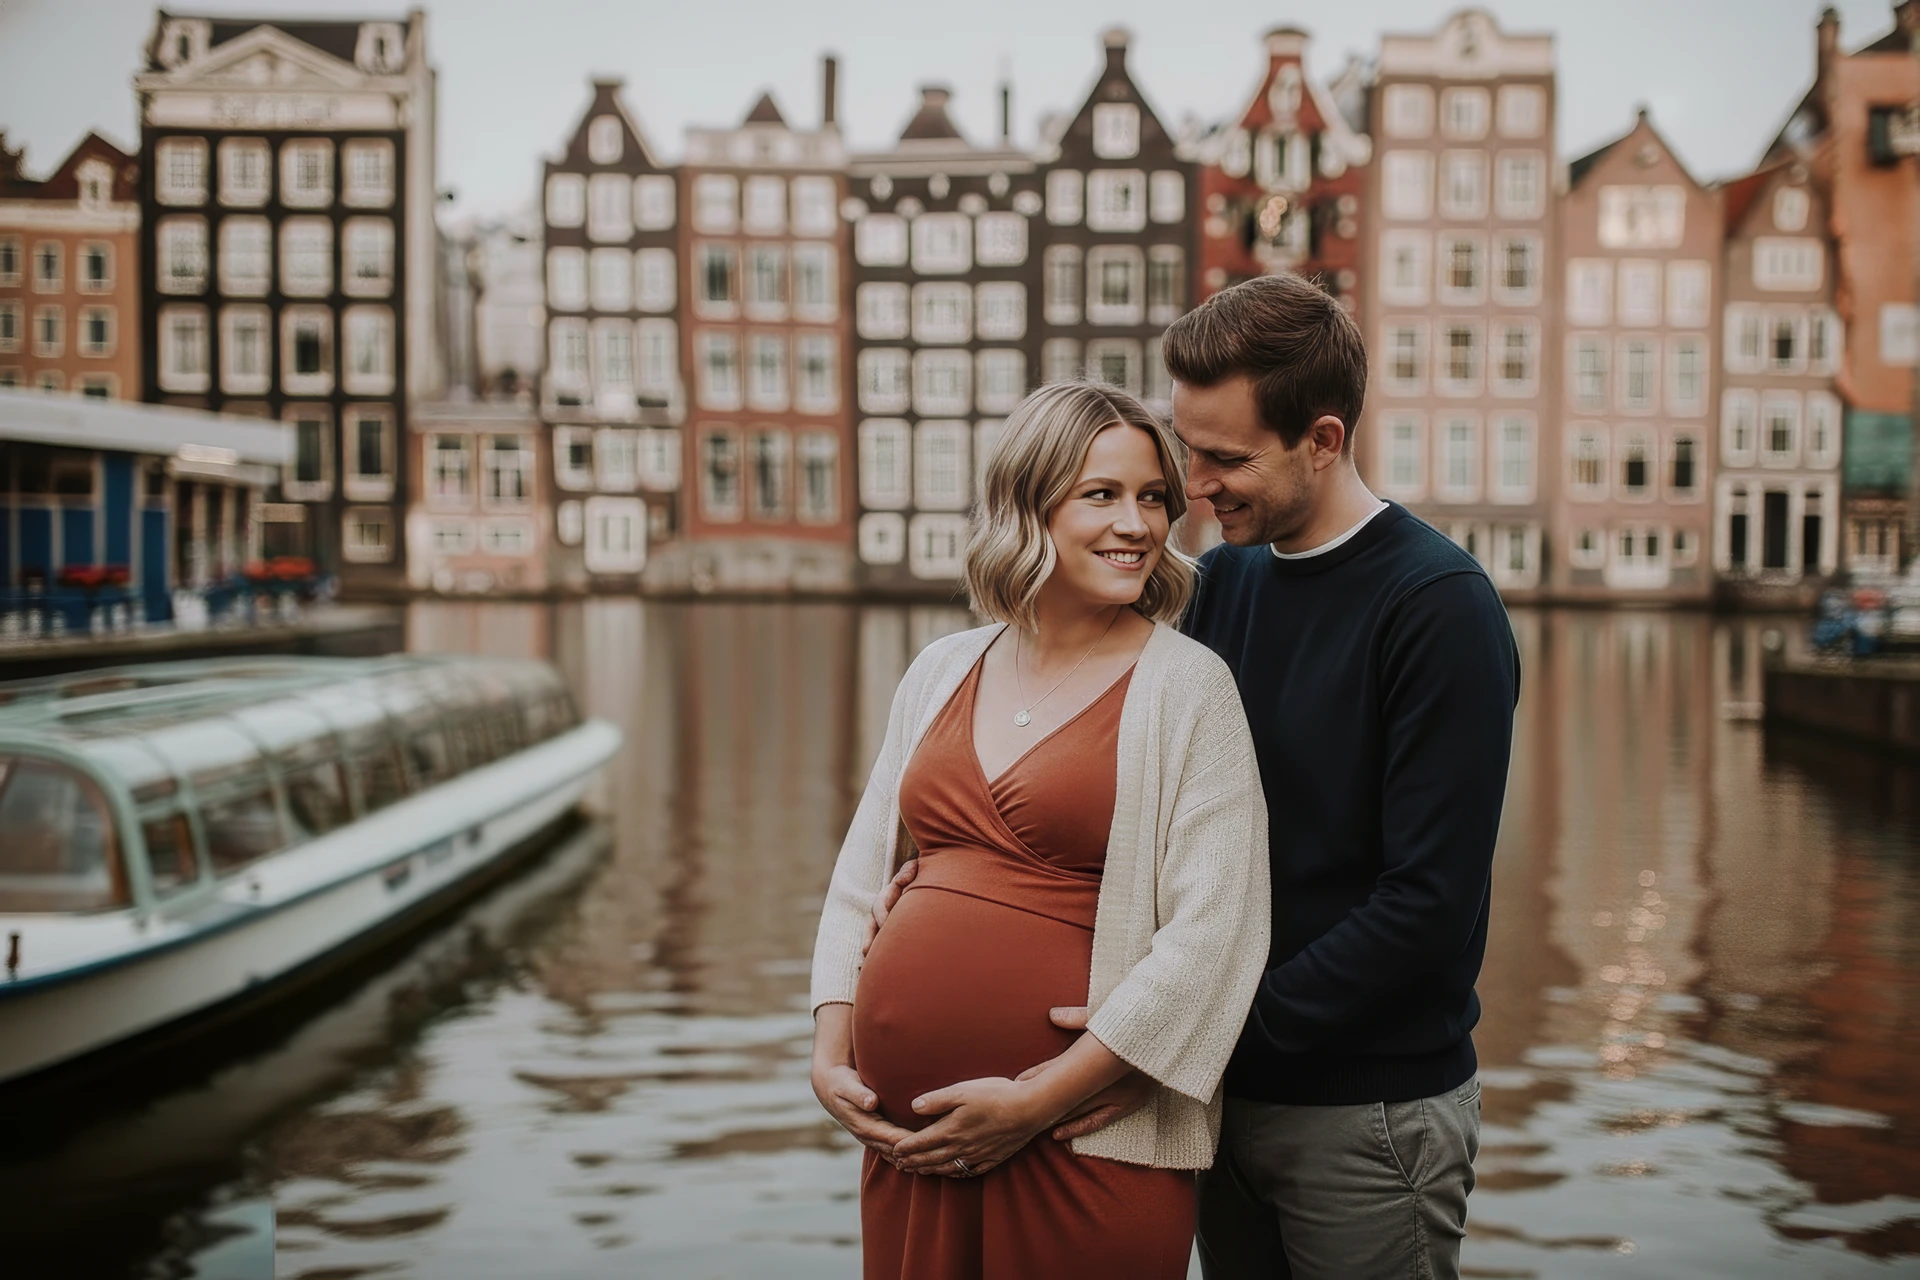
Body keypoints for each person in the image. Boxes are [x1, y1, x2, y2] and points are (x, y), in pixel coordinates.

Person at [870, 273, 1520, 1279]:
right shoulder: (1219, 585)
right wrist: (954, 875)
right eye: (1188, 450)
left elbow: (1426, 908)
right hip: (1204, 1098)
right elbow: (1130, 803)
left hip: (1363, 1112)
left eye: (1226, 458)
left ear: (1323, 440)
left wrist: (1170, 1038)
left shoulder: (1438, 606)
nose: (1194, 489)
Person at [810, 380, 1271, 1280]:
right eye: (1102, 495)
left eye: (1153, 498)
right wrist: (830, 1054)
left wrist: (1041, 1099)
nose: (1136, 524)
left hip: (1082, 1142)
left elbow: (1216, 933)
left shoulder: (1190, 687)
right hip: (909, 1145)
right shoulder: (942, 668)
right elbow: (860, 879)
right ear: (1031, 503)